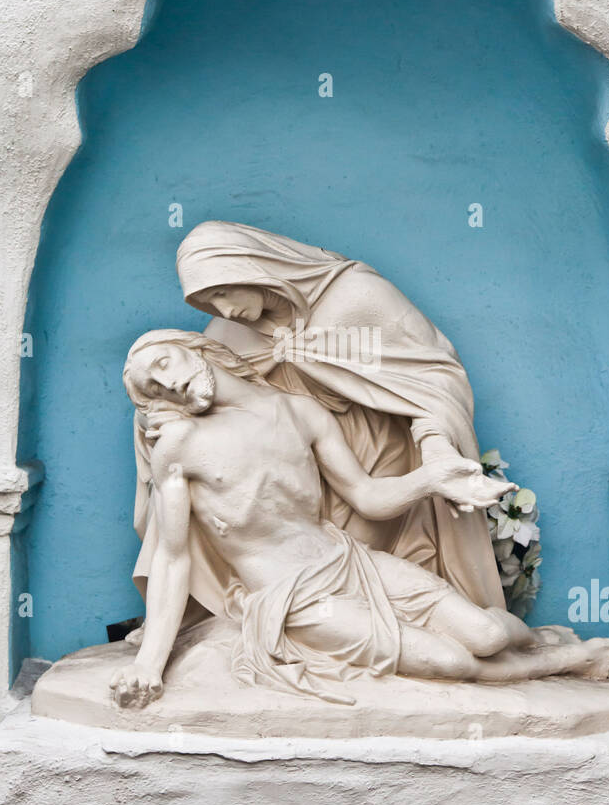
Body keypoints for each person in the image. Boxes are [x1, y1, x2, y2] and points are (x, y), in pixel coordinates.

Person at [113, 329, 609, 709]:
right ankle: (562, 662)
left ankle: (540, 638)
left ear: (191, 346)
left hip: (348, 561)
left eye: (162, 362)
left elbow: (368, 496)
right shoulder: (180, 447)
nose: (166, 383)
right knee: (450, 663)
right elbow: (173, 556)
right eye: (152, 387)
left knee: (487, 635)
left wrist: (433, 478)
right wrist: (148, 664)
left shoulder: (300, 412)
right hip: (295, 600)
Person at [175, 221, 507, 610]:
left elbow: (433, 381)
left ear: (251, 266)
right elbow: (203, 408)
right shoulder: (227, 335)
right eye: (210, 301)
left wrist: (436, 449)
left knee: (343, 576)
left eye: (223, 292)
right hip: (298, 473)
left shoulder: (357, 296)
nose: (224, 309)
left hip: (375, 456)